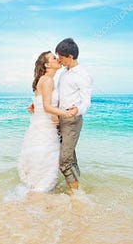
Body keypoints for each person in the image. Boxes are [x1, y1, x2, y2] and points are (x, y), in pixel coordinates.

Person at [28, 38, 92, 191]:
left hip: (72, 120)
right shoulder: (63, 72)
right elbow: (55, 95)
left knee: (64, 160)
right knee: (70, 158)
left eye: (60, 57)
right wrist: (37, 103)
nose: (59, 60)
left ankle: (75, 194)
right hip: (59, 120)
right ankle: (76, 188)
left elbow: (86, 101)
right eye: (56, 57)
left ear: (70, 56)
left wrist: (77, 110)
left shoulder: (83, 75)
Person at [18, 51, 75, 192]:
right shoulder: (48, 80)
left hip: (40, 129)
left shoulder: (43, 80)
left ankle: (32, 200)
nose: (57, 59)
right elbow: (47, 107)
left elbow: (39, 103)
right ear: (47, 64)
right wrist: (67, 113)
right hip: (46, 131)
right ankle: (39, 200)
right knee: (47, 170)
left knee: (41, 168)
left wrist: (33, 106)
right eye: (54, 58)